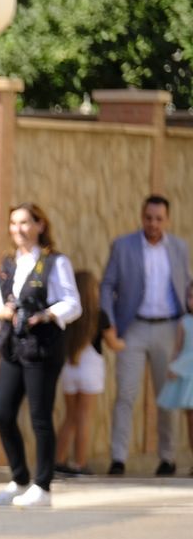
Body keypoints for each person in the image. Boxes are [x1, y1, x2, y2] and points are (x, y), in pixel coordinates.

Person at [0, 203, 82, 508]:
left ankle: (43, 486)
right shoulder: (9, 263)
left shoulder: (55, 262)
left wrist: (46, 315)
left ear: (40, 225)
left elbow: (73, 303)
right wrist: (3, 312)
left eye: (25, 222)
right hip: (13, 346)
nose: (19, 229)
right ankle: (19, 479)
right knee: (2, 413)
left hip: (42, 348)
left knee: (40, 417)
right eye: (14, 223)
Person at [101, 195, 191, 476]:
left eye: (159, 219)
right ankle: (118, 458)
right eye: (148, 218)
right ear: (142, 217)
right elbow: (107, 286)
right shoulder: (123, 245)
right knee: (126, 393)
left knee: (167, 397)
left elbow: (187, 286)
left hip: (169, 329)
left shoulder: (178, 247)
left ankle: (167, 458)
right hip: (133, 327)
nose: (153, 224)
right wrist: (110, 323)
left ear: (167, 220)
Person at [55, 270, 121, 476]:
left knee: (70, 417)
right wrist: (124, 342)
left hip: (69, 368)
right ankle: (80, 464)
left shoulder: (68, 315)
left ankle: (57, 462)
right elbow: (113, 344)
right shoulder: (100, 315)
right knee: (84, 417)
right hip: (90, 369)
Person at [155, 282, 193, 474]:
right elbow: (178, 348)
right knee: (190, 419)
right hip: (187, 376)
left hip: (188, 369)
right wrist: (172, 365)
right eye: (190, 297)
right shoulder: (184, 322)